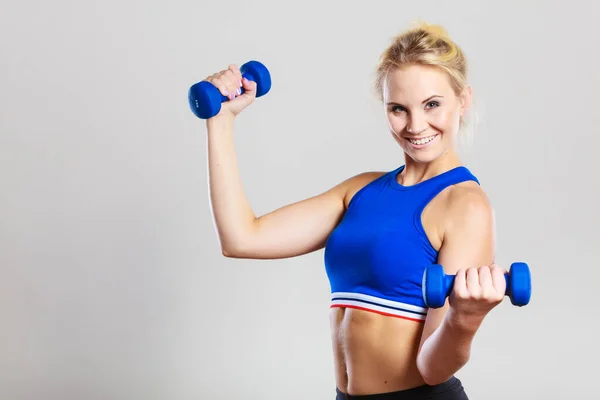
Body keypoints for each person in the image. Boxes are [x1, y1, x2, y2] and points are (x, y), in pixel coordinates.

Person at [203, 21, 508, 400]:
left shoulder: (465, 205)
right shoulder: (360, 190)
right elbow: (240, 238)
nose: (415, 125)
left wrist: (465, 319)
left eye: (432, 104)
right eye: (398, 108)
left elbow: (433, 369)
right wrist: (220, 121)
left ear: (462, 101)